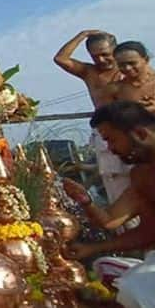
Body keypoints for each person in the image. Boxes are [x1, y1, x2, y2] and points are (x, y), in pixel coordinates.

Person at [62, 101, 155, 308]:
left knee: (135, 288)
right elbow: (148, 230)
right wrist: (93, 246)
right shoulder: (142, 175)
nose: (110, 150)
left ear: (140, 134)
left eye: (111, 140)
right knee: (124, 284)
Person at [54, 30, 127, 203]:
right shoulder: (89, 72)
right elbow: (61, 59)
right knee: (112, 180)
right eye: (95, 56)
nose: (101, 60)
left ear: (115, 51)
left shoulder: (129, 69)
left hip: (132, 129)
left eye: (105, 54)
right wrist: (82, 35)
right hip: (105, 132)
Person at [106, 41, 155, 127]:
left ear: (146, 60)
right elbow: (107, 120)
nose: (127, 68)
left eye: (132, 63)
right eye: (121, 65)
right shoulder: (114, 89)